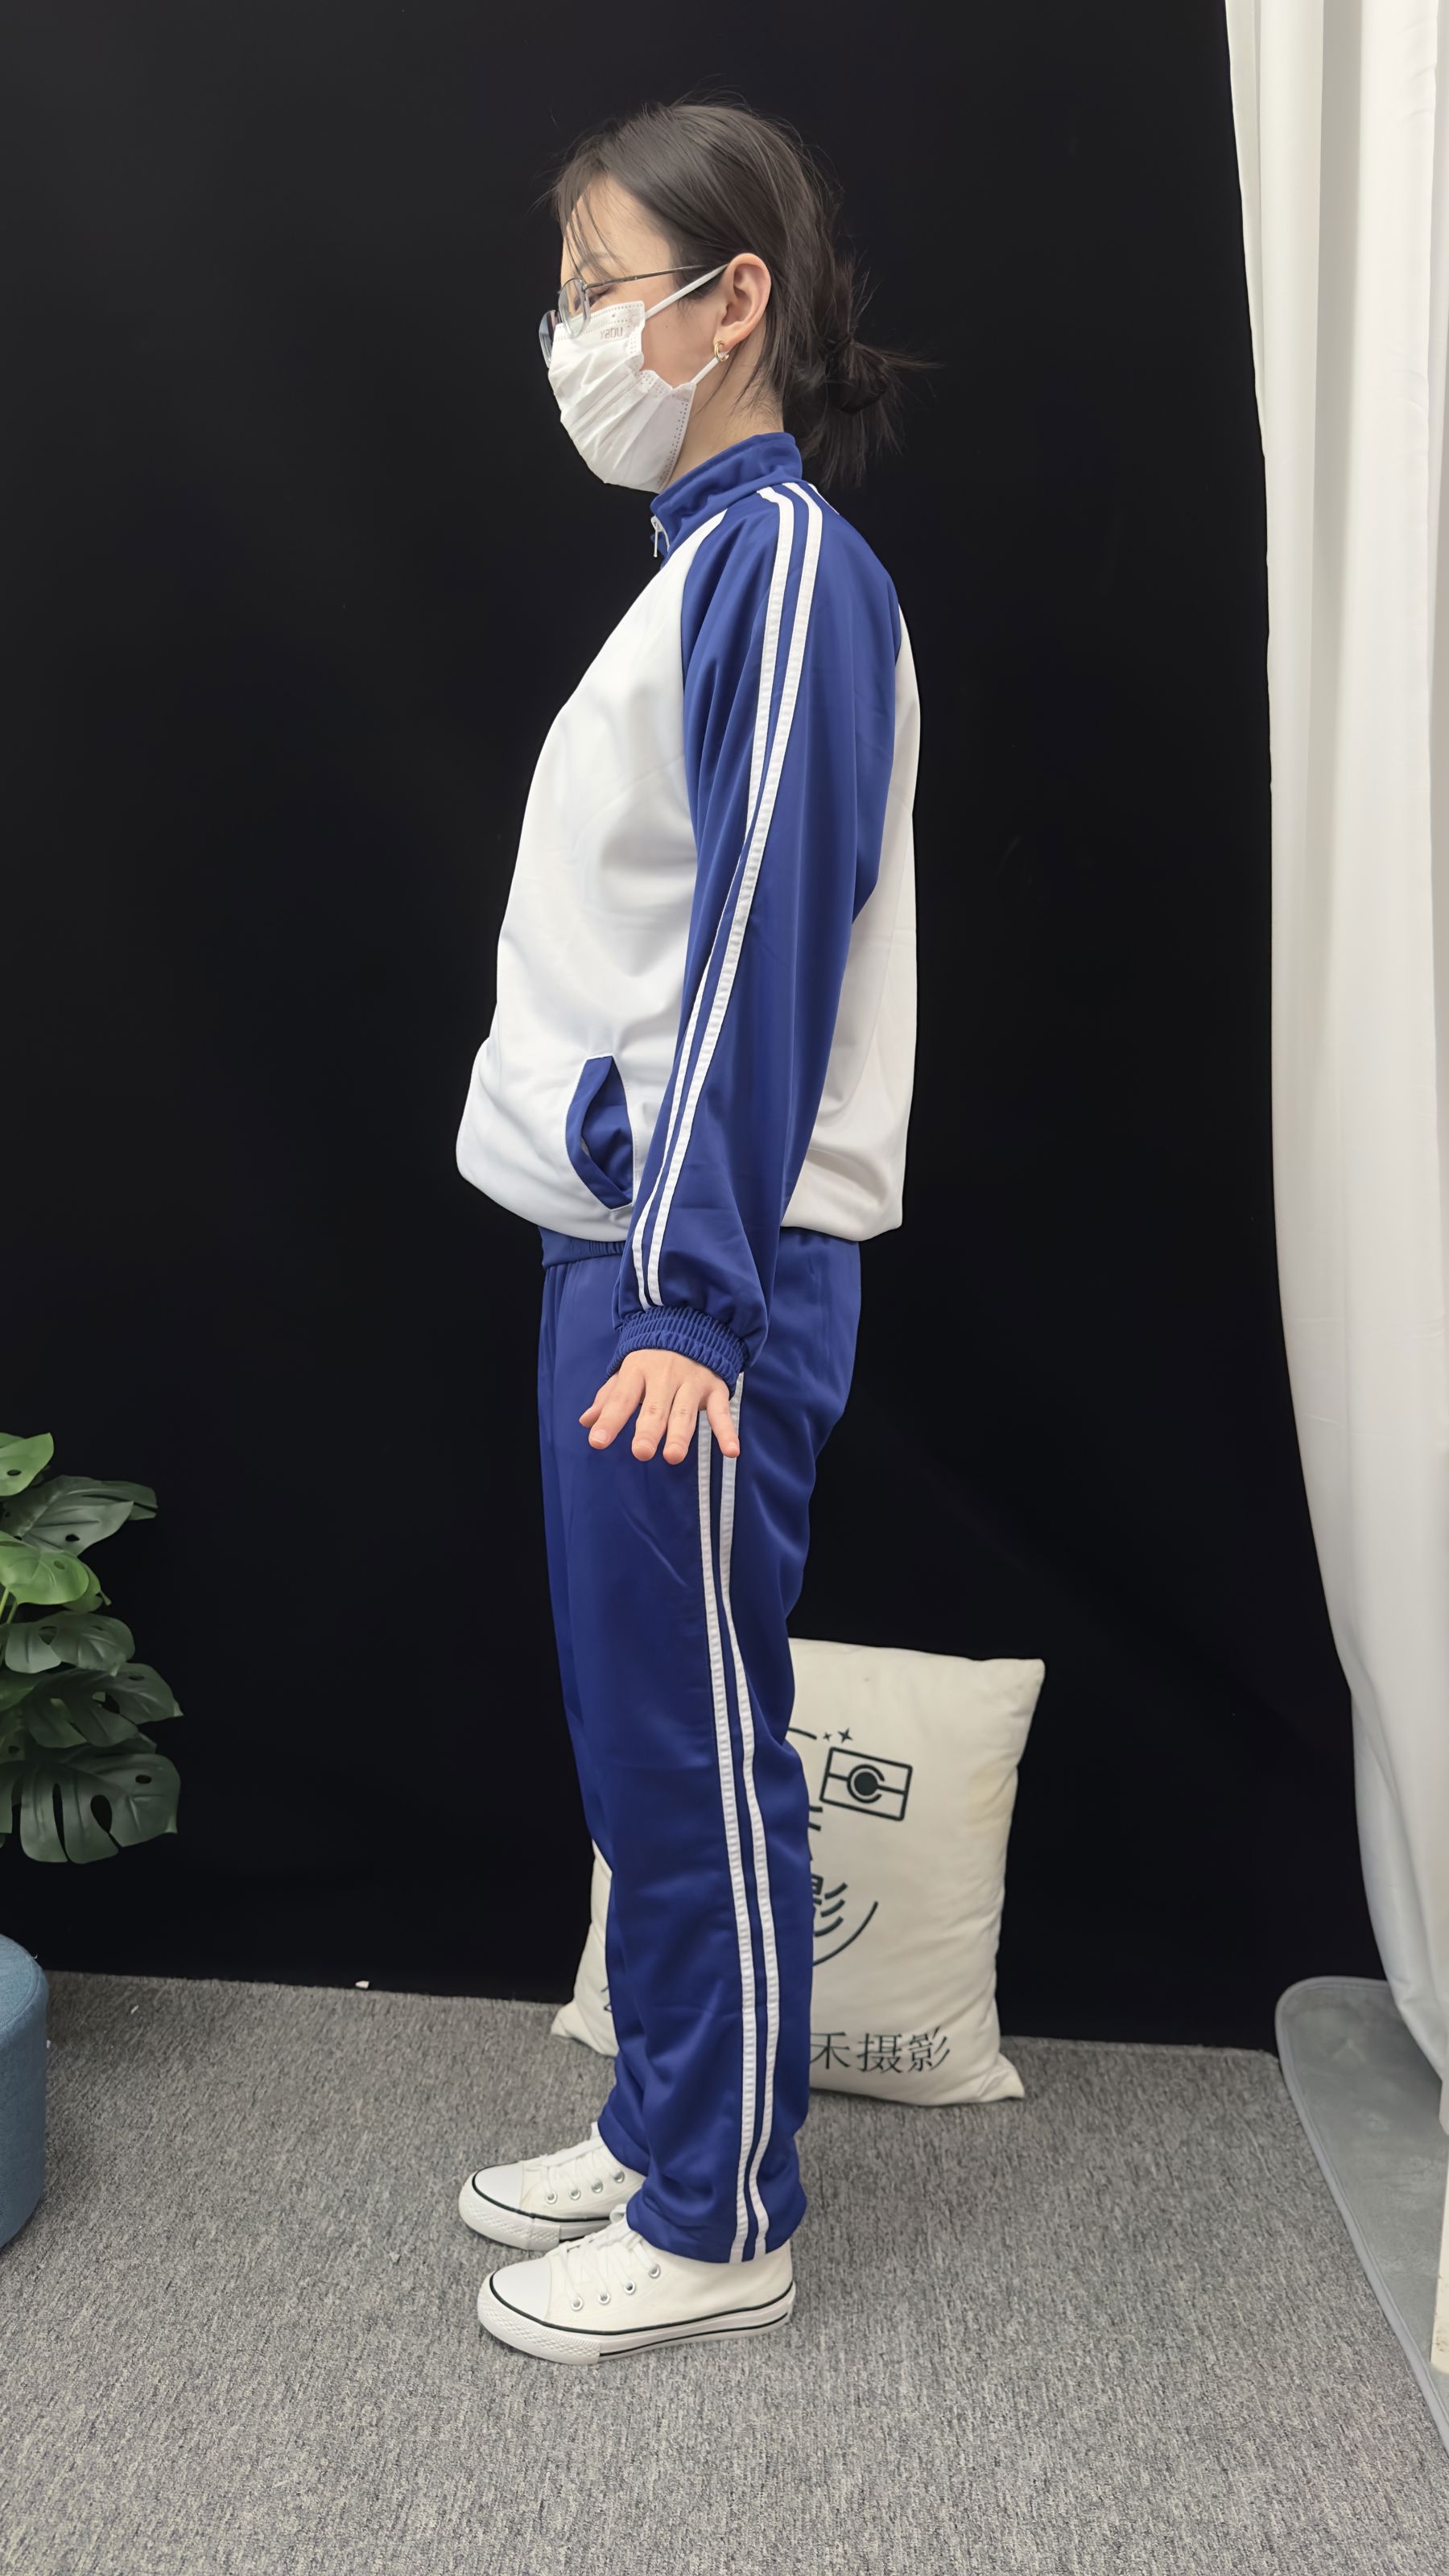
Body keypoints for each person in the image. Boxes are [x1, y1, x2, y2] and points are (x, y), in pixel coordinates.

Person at [454, 95, 925, 2365]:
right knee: (637, 1729)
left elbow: (759, 951)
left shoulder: (792, 574)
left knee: (693, 1738)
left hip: (689, 1274)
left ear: (735, 302)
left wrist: (696, 1302)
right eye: (564, 294)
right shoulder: (702, 570)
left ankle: (721, 2212)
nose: (573, 333)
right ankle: (669, 2118)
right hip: (625, 1247)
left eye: (601, 288)